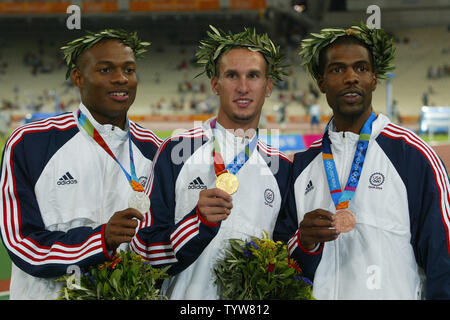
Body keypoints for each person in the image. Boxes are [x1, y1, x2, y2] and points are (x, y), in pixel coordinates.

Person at [275, 23, 450, 299]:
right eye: (337, 70)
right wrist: (305, 242)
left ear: (374, 79)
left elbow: (443, 260)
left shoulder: (414, 157)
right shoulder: (301, 167)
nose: (350, 78)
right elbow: (280, 268)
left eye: (361, 68)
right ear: (321, 82)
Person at [131, 26, 292, 299]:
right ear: (215, 84)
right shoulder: (176, 151)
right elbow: (142, 251)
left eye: (253, 76)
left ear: (268, 86)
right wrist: (196, 223)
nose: (243, 87)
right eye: (232, 75)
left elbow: (286, 263)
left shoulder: (282, 169)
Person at [0, 29, 162, 299]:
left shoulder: (155, 150)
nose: (121, 78)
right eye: (105, 70)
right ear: (78, 77)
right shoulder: (30, 143)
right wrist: (101, 240)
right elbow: (22, 244)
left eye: (129, 70)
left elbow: (160, 245)